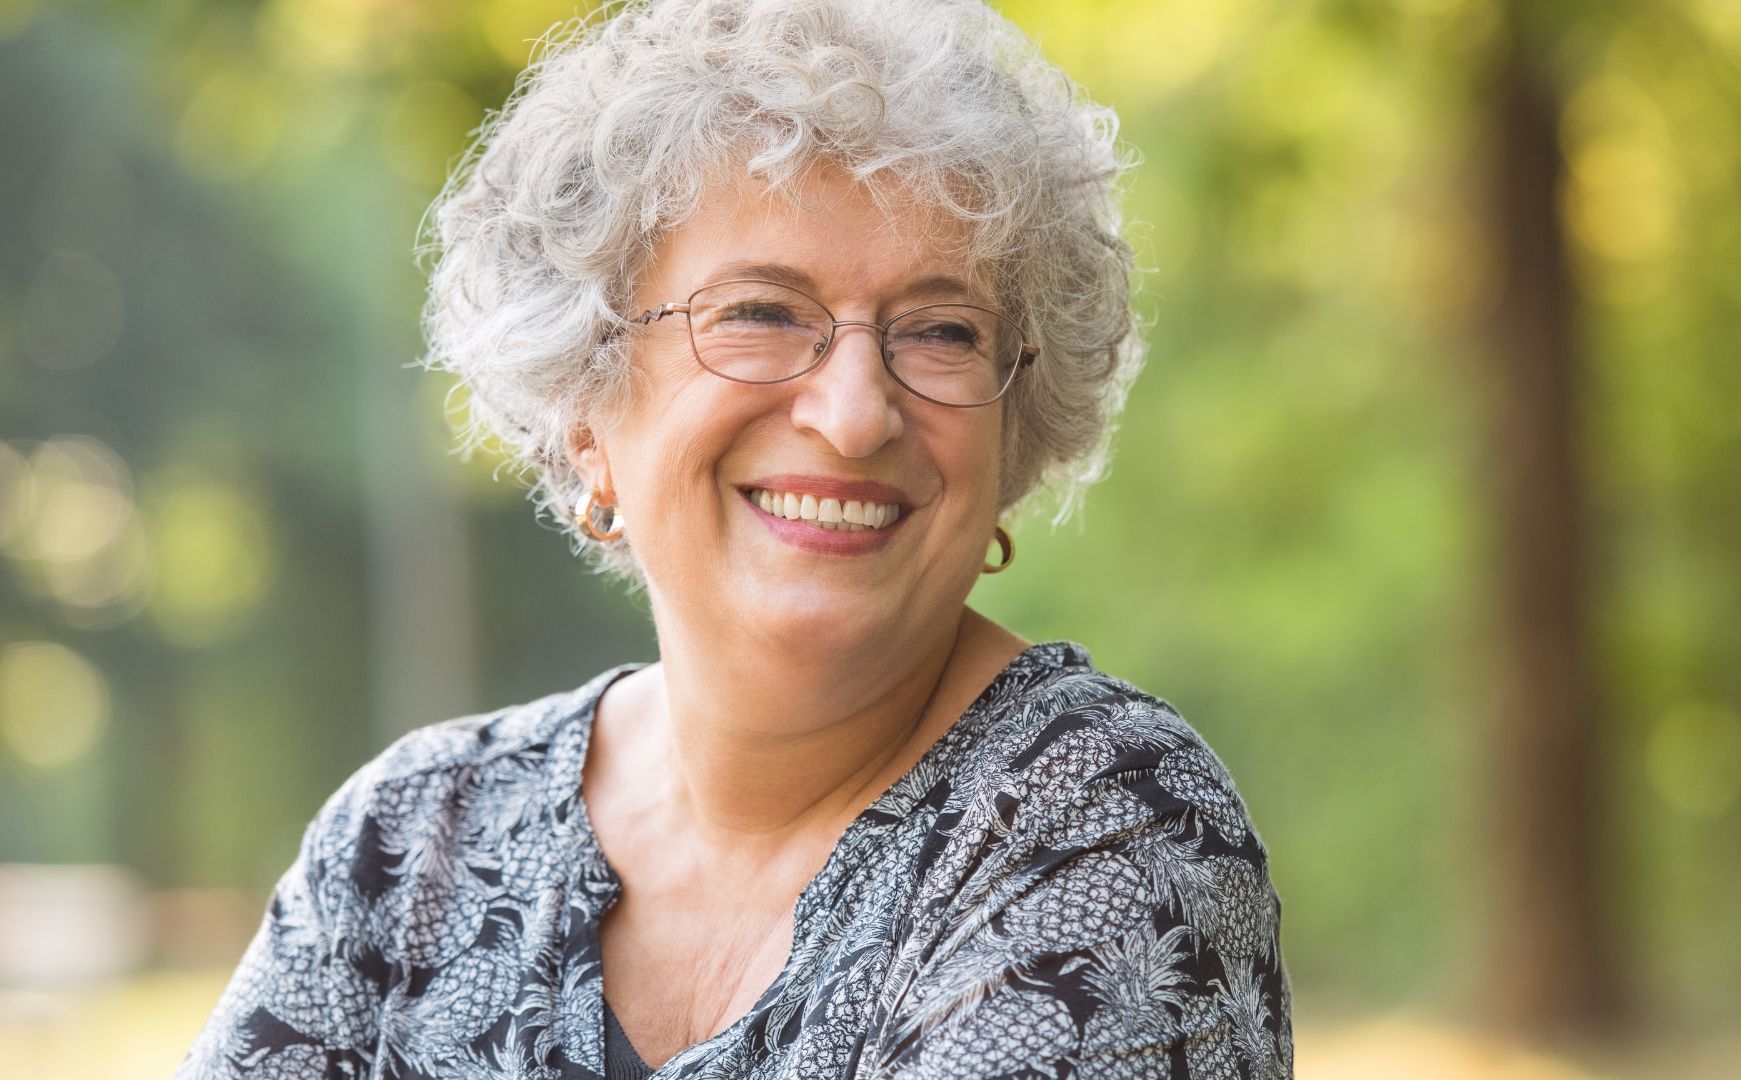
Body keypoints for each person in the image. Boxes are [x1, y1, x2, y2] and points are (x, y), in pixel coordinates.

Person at [180, 0, 1293, 1076]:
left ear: (1011, 439)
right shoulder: (410, 841)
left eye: (943, 330)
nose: (856, 413)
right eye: (762, 312)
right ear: (588, 406)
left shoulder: (1104, 823)